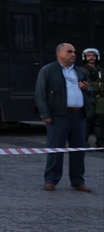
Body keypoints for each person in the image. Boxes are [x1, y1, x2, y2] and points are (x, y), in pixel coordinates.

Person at [34, 43, 93, 192]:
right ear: (59, 53)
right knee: (55, 149)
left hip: (78, 116)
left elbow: (90, 89)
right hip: (59, 116)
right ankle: (51, 180)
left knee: (78, 150)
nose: (73, 54)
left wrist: (87, 88)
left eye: (74, 52)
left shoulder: (79, 71)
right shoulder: (48, 70)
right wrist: (45, 114)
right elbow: (40, 94)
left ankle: (77, 180)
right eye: (69, 52)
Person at [83, 48, 103, 147]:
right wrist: (97, 85)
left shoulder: (101, 71)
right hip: (88, 98)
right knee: (87, 121)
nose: (91, 58)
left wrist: (93, 85)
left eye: (93, 56)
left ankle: (100, 142)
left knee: (100, 121)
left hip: (100, 99)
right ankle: (84, 142)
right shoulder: (82, 71)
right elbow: (83, 84)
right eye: (89, 56)